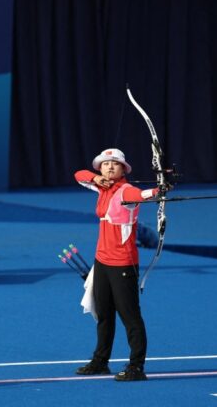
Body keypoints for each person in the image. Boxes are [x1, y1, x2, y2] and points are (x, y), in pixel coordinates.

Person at [73, 148, 164, 382]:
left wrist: (160, 189)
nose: (110, 167)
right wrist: (95, 178)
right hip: (101, 261)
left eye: (115, 164)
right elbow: (78, 174)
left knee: (130, 316)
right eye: (105, 164)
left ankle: (136, 367)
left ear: (124, 169)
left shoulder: (127, 190)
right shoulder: (101, 187)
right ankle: (100, 362)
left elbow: (145, 195)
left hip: (123, 263)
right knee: (103, 314)